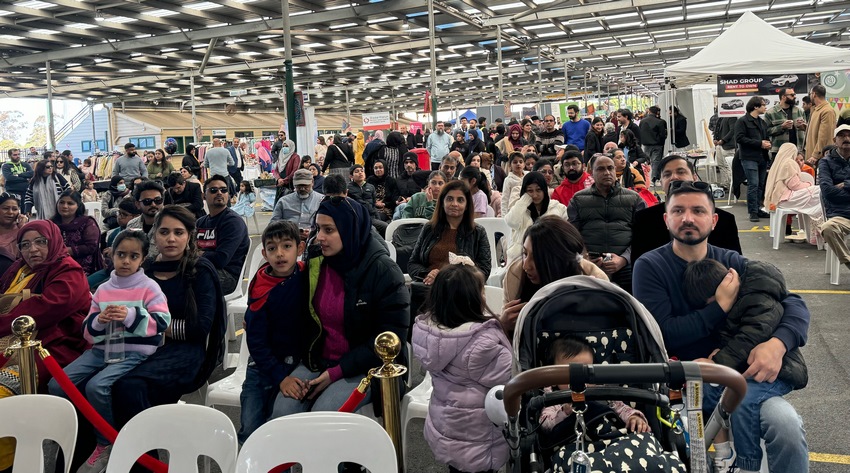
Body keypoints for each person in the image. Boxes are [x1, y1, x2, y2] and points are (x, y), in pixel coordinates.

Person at [632, 181, 811, 473]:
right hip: (685, 387)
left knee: (787, 426)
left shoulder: (731, 262)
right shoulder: (650, 266)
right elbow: (663, 331)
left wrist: (777, 344)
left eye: (698, 210)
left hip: (741, 379)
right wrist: (719, 308)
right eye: (678, 210)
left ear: (713, 221)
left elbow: (793, 304)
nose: (687, 217)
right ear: (666, 219)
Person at [269, 196, 409, 422]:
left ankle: (338, 459)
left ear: (349, 229)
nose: (319, 237)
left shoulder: (384, 272)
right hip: (319, 361)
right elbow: (298, 310)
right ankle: (298, 459)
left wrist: (335, 373)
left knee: (324, 419)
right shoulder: (318, 262)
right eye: (318, 228)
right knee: (282, 414)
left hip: (370, 368)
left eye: (328, 230)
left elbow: (391, 338)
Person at [48, 230, 170, 472]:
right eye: (121, 254)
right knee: (56, 385)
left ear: (142, 259)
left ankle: (106, 441)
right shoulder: (103, 289)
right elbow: (87, 331)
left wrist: (130, 316)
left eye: (133, 256)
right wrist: (100, 321)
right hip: (101, 349)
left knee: (97, 386)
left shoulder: (149, 287)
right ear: (111, 255)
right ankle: (75, 429)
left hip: (134, 351)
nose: (126, 261)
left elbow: (162, 321)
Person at [111, 206, 227, 442]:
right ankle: (116, 444)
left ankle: (143, 457)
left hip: (187, 352)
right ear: (154, 235)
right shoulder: (146, 270)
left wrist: (148, 325)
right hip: (142, 347)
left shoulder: (200, 271)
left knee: (129, 386)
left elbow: (199, 328)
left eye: (179, 232)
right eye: (164, 232)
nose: (171, 238)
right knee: (96, 383)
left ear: (189, 236)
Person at [682, 257, 807, 473]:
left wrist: (779, 343)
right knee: (709, 392)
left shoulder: (752, 291)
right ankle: (724, 455)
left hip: (772, 374)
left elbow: (760, 328)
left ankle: (747, 465)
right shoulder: (653, 266)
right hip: (732, 373)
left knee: (750, 403)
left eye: (712, 304)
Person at [412, 263, 511, 473]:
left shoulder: (429, 331)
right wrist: (506, 330)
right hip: (478, 436)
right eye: (482, 290)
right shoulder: (482, 344)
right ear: (472, 299)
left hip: (447, 425)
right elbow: (511, 374)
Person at [0, 220, 91, 391]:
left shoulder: (69, 270)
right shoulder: (20, 269)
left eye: (41, 242)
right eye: (25, 245)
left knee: (3, 387)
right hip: (12, 340)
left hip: (52, 345)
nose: (32, 249)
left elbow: (45, 309)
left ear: (54, 240)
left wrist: (3, 324)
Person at [239, 221, 306, 444]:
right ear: (264, 253)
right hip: (262, 368)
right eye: (272, 248)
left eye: (287, 246)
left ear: (300, 248)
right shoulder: (260, 287)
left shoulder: (306, 275)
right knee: (251, 430)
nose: (280, 254)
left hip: (296, 364)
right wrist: (281, 378)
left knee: (280, 434)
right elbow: (256, 343)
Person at [500, 216, 606, 336]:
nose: (526, 265)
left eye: (536, 258)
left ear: (558, 260)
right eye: (525, 253)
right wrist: (502, 326)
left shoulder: (594, 282)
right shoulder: (515, 276)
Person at [631, 155, 741, 263]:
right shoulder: (644, 219)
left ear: (694, 177)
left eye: (681, 172)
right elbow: (638, 263)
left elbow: (735, 267)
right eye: (667, 174)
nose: (674, 177)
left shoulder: (725, 220)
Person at [567, 154, 646, 292]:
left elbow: (644, 236)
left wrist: (623, 259)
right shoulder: (578, 200)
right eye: (601, 169)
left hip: (626, 267)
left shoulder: (634, 199)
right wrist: (585, 259)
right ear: (591, 172)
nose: (607, 173)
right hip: (591, 268)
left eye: (610, 168)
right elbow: (572, 235)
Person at [539, 336, 649, 433]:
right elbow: (545, 425)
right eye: (571, 374)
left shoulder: (602, 393)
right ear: (553, 378)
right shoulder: (554, 400)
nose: (580, 379)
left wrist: (633, 417)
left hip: (611, 441)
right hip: (575, 446)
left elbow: (623, 409)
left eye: (586, 372)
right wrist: (565, 412)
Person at [408, 180, 491, 284]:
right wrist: (427, 274)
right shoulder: (429, 228)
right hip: (429, 286)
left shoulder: (478, 232)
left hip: (463, 289)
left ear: (466, 206)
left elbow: (484, 270)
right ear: (442, 203)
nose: (454, 204)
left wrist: (449, 278)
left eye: (460, 200)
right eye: (450, 199)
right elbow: (413, 263)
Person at [196, 175, 250, 294]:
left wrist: (198, 254)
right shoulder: (201, 222)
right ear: (204, 195)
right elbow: (190, 251)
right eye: (214, 190)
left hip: (228, 276)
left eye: (224, 190)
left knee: (188, 280)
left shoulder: (233, 222)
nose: (219, 193)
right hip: (203, 268)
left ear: (228, 195)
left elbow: (221, 259)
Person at [764, 143, 823, 243]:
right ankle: (817, 233)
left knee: (817, 195)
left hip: (779, 199)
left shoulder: (777, 163)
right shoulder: (789, 163)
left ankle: (815, 232)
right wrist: (809, 184)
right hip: (786, 198)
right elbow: (795, 185)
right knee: (819, 191)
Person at [505, 171, 567, 262]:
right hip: (521, 258)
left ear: (544, 190)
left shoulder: (557, 208)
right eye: (530, 190)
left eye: (538, 190)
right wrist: (525, 199)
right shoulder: (520, 209)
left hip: (550, 256)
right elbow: (511, 222)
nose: (535, 195)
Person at [88, 198, 141, 290]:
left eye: (124, 214)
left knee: (97, 289)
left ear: (136, 217)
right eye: (119, 213)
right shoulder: (113, 234)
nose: (119, 216)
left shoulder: (138, 235)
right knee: (85, 284)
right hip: (109, 269)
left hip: (127, 273)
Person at [818, 124, 850, 269]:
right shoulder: (825, 162)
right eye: (842, 135)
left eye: (849, 135)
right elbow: (828, 191)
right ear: (834, 140)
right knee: (828, 228)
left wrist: (845, 184)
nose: (846, 138)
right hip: (840, 215)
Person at [736, 96, 771, 222]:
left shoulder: (762, 122)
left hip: (762, 157)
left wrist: (767, 144)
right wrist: (759, 143)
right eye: (763, 105)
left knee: (761, 185)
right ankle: (753, 212)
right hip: (749, 157)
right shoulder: (743, 121)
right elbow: (739, 139)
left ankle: (757, 208)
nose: (765, 107)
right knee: (753, 184)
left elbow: (766, 137)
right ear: (755, 106)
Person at [50, 190, 103, 276]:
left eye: (70, 203)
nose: (65, 206)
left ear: (78, 206)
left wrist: (64, 251)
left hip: (82, 269)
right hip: (56, 267)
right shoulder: (51, 224)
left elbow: (91, 246)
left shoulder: (87, 222)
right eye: (62, 202)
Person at [271, 168, 323, 238]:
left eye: (305, 185)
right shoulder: (283, 202)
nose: (302, 188)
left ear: (312, 182)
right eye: (299, 186)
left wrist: (313, 233)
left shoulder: (321, 200)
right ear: (293, 184)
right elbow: (273, 225)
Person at [765, 88, 807, 159]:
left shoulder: (799, 111)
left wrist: (803, 127)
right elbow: (766, 131)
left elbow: (806, 130)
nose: (795, 97)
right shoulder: (771, 113)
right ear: (783, 97)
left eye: (795, 94)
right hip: (779, 151)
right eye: (792, 95)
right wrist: (781, 127)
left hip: (797, 151)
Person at [804, 84, 838, 165]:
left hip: (818, 158)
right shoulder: (816, 110)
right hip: (811, 156)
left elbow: (824, 136)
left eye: (810, 94)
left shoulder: (827, 111)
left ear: (814, 94)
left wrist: (816, 155)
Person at [0, 194, 26, 277]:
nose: (10, 212)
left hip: (16, 276)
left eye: (14, 209)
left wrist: (23, 227)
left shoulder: (22, 231)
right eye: (5, 208)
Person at [639, 106, 667, 183]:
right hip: (657, 144)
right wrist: (661, 142)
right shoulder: (660, 122)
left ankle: (645, 178)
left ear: (649, 111)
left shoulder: (643, 121)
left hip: (646, 144)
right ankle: (654, 178)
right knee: (656, 161)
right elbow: (662, 135)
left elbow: (640, 132)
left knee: (646, 161)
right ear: (657, 112)